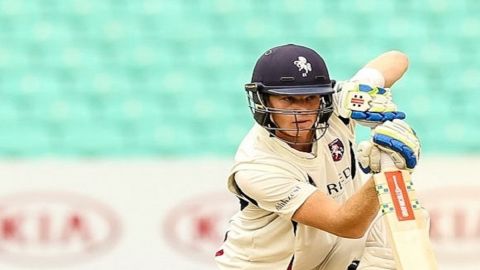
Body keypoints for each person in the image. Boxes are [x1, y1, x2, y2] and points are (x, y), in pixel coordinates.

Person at [214, 44, 422, 270]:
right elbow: (346, 224)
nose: (302, 110)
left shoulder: (335, 110)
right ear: (263, 100)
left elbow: (396, 59)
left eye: (310, 98)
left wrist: (356, 89)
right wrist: (388, 169)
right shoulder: (256, 166)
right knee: (384, 197)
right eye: (288, 99)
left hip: (326, 260)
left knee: (394, 227)